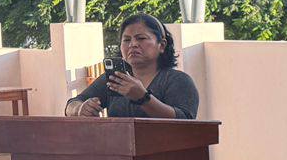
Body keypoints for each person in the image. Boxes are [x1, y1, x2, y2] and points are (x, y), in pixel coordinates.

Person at [64, 15, 199, 120]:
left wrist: (143, 98)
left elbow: (185, 121)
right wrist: (80, 109)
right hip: (119, 147)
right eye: (127, 40)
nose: (133, 44)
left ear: (162, 45)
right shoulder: (114, 79)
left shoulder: (178, 80)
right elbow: (72, 103)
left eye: (141, 38)